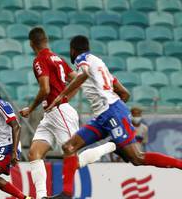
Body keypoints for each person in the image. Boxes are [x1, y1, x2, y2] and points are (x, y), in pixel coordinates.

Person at [47, 35, 182, 199]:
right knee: (69, 147)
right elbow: (125, 93)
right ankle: (66, 194)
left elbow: (83, 75)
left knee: (137, 158)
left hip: (112, 112)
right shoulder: (99, 63)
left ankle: (180, 164)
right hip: (104, 116)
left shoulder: (82, 59)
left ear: (72, 50)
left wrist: (62, 95)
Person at [20, 27, 115, 199]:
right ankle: (41, 196)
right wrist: (64, 97)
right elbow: (77, 79)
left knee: (73, 158)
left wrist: (30, 108)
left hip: (59, 112)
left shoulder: (40, 60)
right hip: (51, 114)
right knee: (34, 153)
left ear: (31, 43)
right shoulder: (58, 58)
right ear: (46, 40)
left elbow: (45, 88)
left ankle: (111, 146)